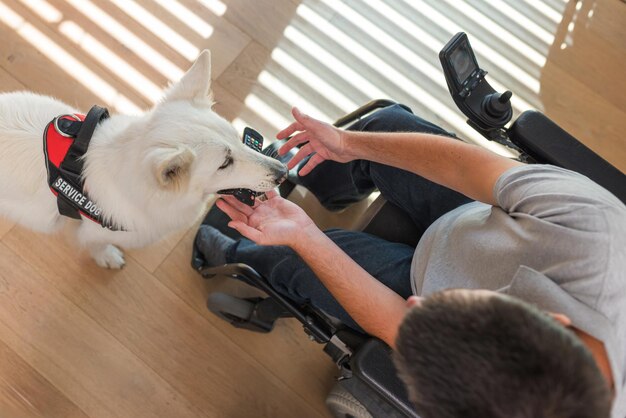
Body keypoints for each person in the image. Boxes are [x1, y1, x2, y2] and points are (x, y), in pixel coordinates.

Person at [196, 104, 625, 418]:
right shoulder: (594, 229)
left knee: (289, 257)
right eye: (469, 306)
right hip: (481, 219)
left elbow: (401, 323)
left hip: (433, 266)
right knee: (382, 128)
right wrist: (347, 144)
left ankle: (232, 252)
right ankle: (314, 176)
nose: (417, 308)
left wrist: (304, 237)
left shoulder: (504, 398)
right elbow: (471, 170)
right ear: (557, 320)